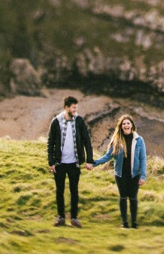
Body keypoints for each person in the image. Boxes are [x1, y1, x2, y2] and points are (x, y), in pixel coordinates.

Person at [93, 114, 148, 229]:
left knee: (133, 197)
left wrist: (143, 176)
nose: (126, 125)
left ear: (132, 125)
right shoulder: (116, 140)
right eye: (124, 124)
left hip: (135, 174)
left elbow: (143, 158)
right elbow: (107, 156)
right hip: (120, 175)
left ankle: (134, 223)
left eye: (128, 123)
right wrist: (94, 163)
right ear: (121, 126)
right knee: (123, 197)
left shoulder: (139, 140)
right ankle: (125, 223)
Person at [47, 95, 94, 228]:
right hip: (59, 163)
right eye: (73, 108)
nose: (75, 110)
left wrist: (89, 160)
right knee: (59, 190)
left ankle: (74, 218)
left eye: (76, 108)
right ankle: (60, 217)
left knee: (74, 190)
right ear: (66, 107)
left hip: (74, 163)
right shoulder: (56, 121)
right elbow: (50, 143)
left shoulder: (79, 121)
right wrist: (51, 161)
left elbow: (87, 141)